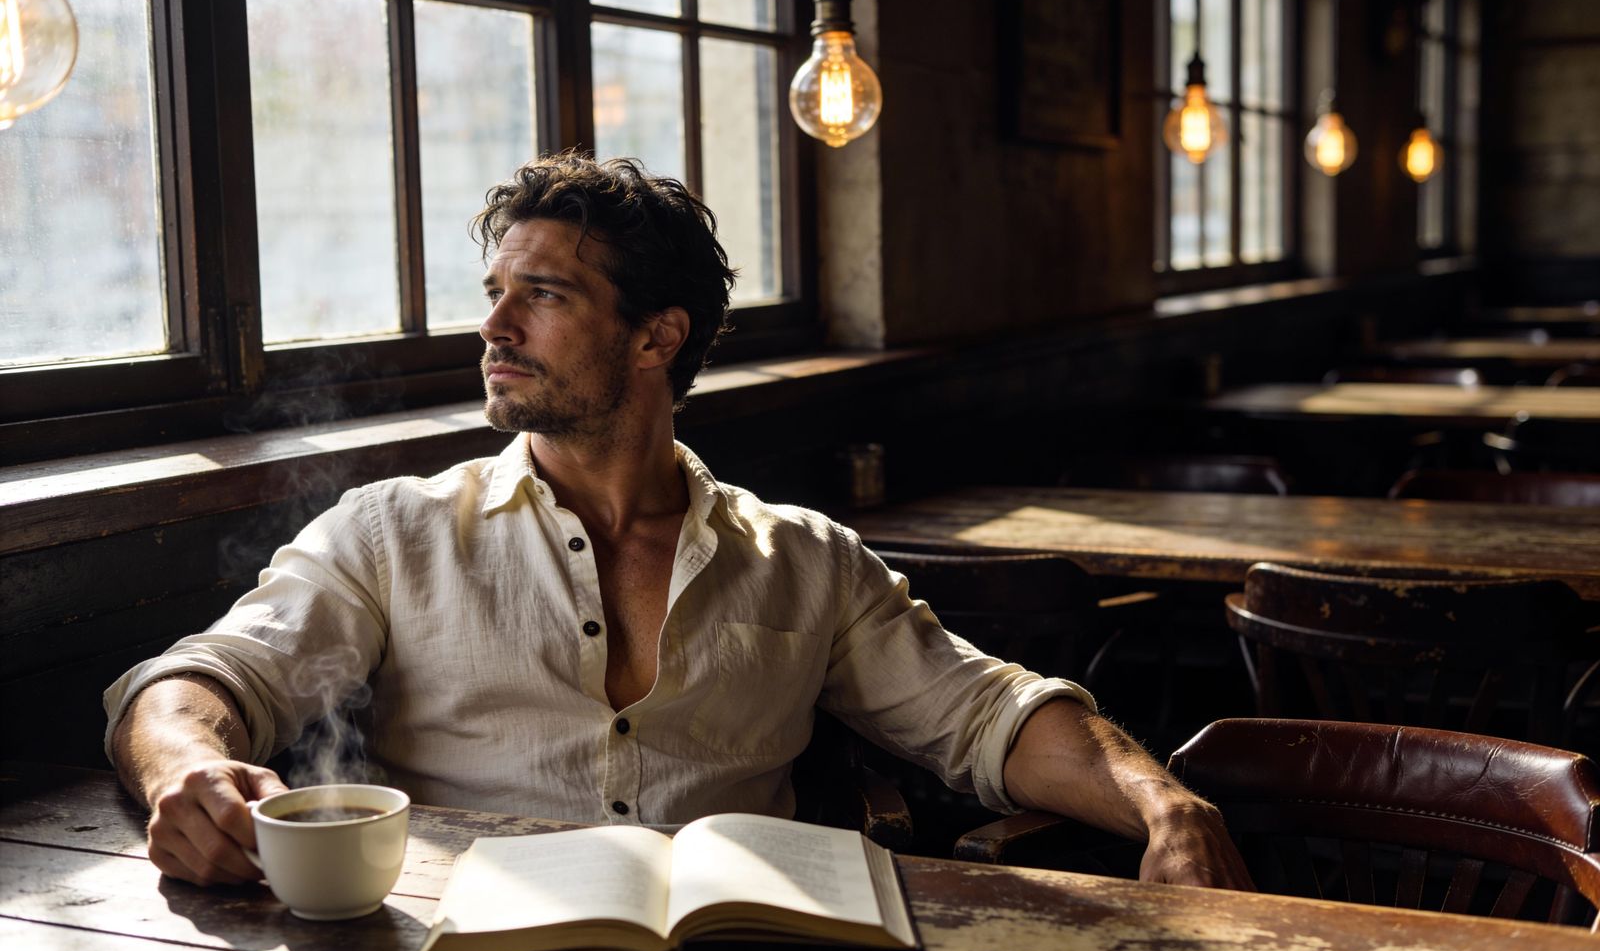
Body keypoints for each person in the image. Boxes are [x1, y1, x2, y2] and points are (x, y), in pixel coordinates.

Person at [105, 153, 1253, 893]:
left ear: (658, 336)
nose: (494, 327)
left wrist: (1165, 801)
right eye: (495, 293)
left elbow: (987, 714)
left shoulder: (801, 558)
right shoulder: (393, 532)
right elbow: (200, 678)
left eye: (543, 295)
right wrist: (186, 770)